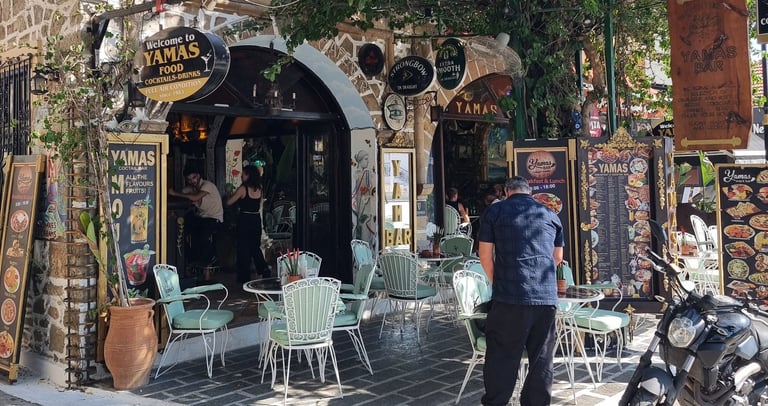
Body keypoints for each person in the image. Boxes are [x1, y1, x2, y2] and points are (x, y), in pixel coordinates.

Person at [477, 176, 564, 406]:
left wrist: (499, 282)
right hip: (545, 297)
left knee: (501, 356)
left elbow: (484, 255)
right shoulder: (550, 215)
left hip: (509, 296)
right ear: (530, 191)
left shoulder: (495, 212)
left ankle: (496, 402)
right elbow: (557, 258)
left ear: (506, 192)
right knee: (541, 359)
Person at [169, 167, 223, 266]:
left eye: (194, 177)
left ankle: (211, 258)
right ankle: (190, 258)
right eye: (189, 179)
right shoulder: (191, 188)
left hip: (214, 218)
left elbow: (195, 197)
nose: (192, 181)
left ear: (198, 175)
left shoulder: (207, 185)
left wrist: (175, 193)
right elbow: (181, 193)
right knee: (180, 231)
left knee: (202, 235)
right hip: (202, 218)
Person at [226, 165, 270, 283]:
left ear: (248, 175)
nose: (241, 176)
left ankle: (244, 276)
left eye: (244, 174)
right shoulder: (259, 188)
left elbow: (230, 202)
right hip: (255, 219)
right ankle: (263, 268)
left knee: (243, 247)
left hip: (245, 219)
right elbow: (260, 205)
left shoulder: (243, 189)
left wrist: (229, 193)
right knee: (255, 247)